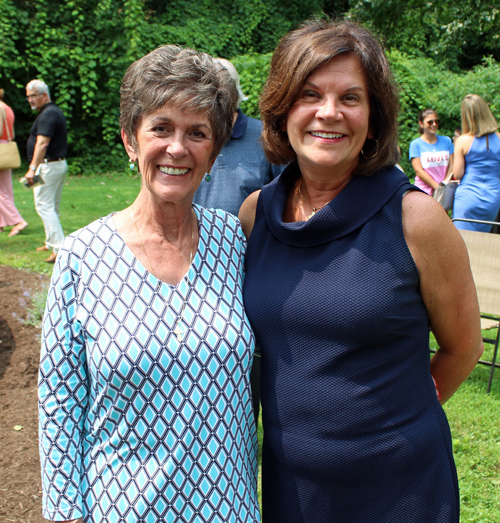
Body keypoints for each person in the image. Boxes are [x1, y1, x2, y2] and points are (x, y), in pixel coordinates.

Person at [239, 19, 483, 522]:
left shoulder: (416, 220)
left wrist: (393, 418)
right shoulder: (255, 214)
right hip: (293, 489)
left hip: (399, 487)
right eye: (310, 94)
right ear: (283, 108)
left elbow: (463, 348)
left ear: (373, 119)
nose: (329, 113)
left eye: (350, 98)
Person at [38, 46, 260, 523]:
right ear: (130, 141)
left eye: (197, 133)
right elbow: (59, 401)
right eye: (160, 128)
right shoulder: (82, 255)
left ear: (214, 150)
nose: (177, 148)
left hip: (229, 509)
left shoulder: (233, 241)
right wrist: (67, 515)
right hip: (122, 509)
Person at [193, 58, 282, 217]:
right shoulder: (187, 138)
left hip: (250, 240)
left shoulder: (265, 135)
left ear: (234, 93)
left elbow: (286, 196)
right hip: (192, 238)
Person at [25, 79, 68, 263]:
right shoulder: (51, 111)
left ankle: (59, 248)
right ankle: (51, 242)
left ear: (44, 95)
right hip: (55, 164)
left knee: (44, 205)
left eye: (33, 96)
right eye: (28, 97)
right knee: (51, 206)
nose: (30, 100)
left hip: (48, 166)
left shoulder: (48, 114)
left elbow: (42, 143)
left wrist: (32, 169)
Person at [453, 94, 500, 232]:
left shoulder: (462, 140)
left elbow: (458, 173)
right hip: (493, 197)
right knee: (481, 243)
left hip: (468, 196)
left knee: (463, 241)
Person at [0, 89, 28, 236]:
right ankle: (2, 223)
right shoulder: (8, 108)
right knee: (5, 188)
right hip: (6, 147)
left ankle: (18, 220)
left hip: (0, 147)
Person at [409, 108, 454, 195]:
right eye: (430, 122)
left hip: (443, 189)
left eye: (436, 121)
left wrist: (445, 184)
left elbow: (452, 164)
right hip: (424, 190)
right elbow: (418, 170)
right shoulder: (415, 144)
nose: (434, 124)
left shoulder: (446, 141)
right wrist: (437, 187)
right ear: (421, 123)